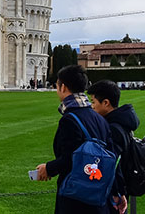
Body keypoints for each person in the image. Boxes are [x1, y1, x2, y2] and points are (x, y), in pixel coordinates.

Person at [36, 65, 115, 213]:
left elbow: (69, 158)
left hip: (76, 195)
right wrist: (117, 191)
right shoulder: (100, 119)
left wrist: (48, 168)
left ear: (63, 87)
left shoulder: (69, 119)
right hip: (98, 192)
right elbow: (111, 155)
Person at [87, 79, 138, 214]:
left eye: (93, 102)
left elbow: (111, 164)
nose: (92, 106)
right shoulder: (121, 123)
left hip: (114, 193)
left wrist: (116, 192)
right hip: (120, 188)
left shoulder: (113, 129)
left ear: (106, 103)